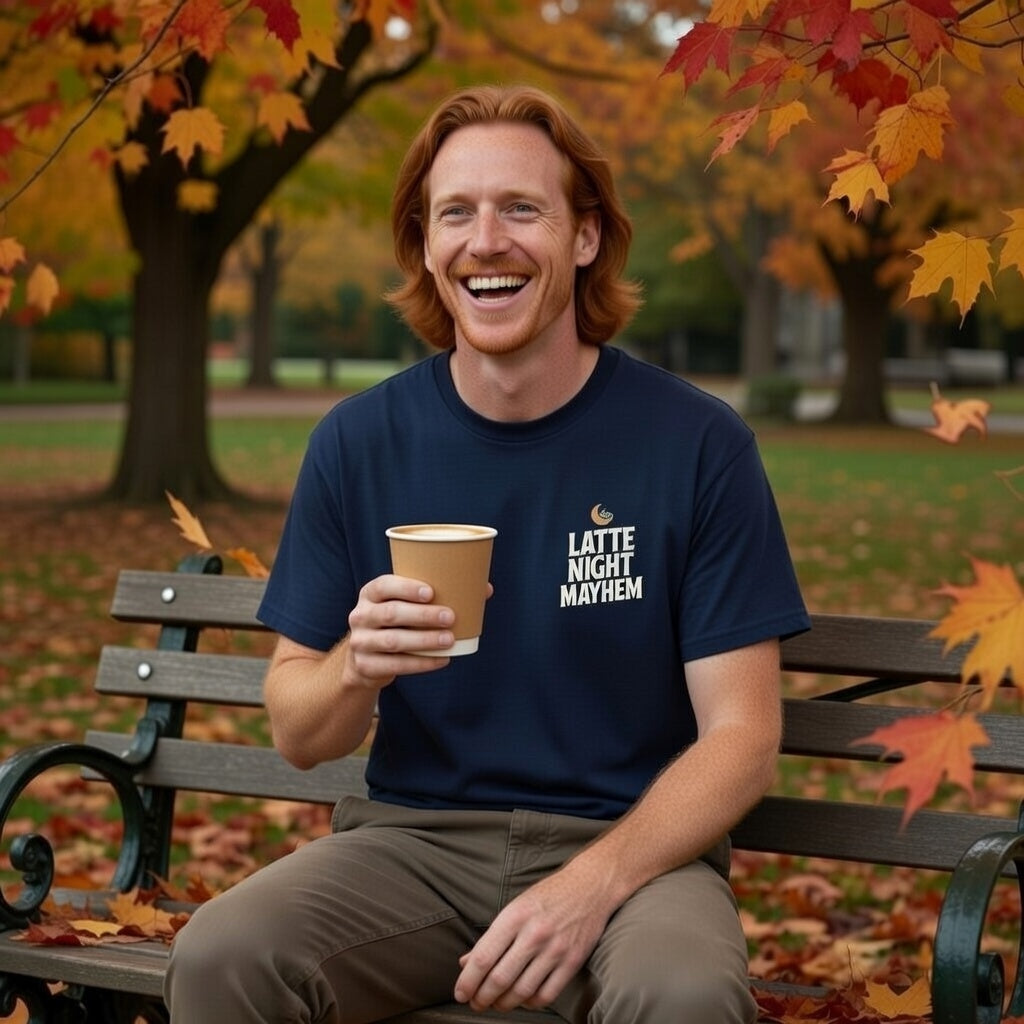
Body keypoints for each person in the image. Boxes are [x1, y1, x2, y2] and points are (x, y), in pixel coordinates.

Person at [165, 83, 809, 1023]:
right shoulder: (358, 441)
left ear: (584, 236)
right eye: (454, 213)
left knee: (682, 996)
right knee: (224, 956)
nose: (486, 241)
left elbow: (744, 741)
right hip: (411, 849)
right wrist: (357, 668)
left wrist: (588, 887)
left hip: (632, 853)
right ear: (425, 246)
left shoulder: (696, 445)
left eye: (522, 209)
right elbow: (302, 735)